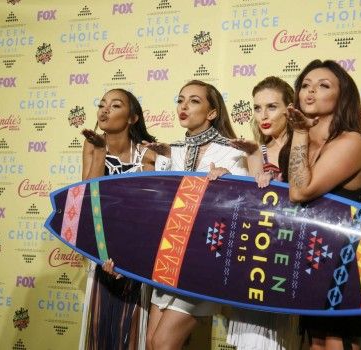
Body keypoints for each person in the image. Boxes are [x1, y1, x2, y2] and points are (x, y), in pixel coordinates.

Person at [283, 59, 361, 350]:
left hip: (354, 250)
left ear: (342, 97)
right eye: (305, 85)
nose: (310, 92)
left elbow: (301, 191)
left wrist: (301, 133)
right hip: (317, 249)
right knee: (316, 340)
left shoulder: (353, 141)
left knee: (336, 342)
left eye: (323, 85)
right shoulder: (298, 141)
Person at [145, 80, 248, 350]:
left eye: (194, 100)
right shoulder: (172, 152)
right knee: (152, 343)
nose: (184, 106)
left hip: (204, 262)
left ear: (212, 113)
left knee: (164, 343)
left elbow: (245, 209)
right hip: (170, 258)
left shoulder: (232, 152)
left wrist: (230, 182)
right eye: (180, 100)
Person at [79, 88, 158, 350]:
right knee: (100, 331)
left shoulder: (148, 153)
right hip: (102, 253)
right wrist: (100, 153)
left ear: (132, 118)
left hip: (137, 257)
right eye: (102, 105)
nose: (104, 110)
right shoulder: (92, 144)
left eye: (115, 106)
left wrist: (134, 255)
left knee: (132, 332)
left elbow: (150, 212)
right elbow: (87, 199)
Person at [226, 76, 299, 350]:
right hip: (255, 249)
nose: (263, 116)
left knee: (271, 340)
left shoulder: (304, 148)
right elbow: (253, 201)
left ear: (289, 109)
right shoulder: (257, 149)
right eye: (257, 108)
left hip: (284, 252)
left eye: (271, 107)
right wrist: (228, 177)